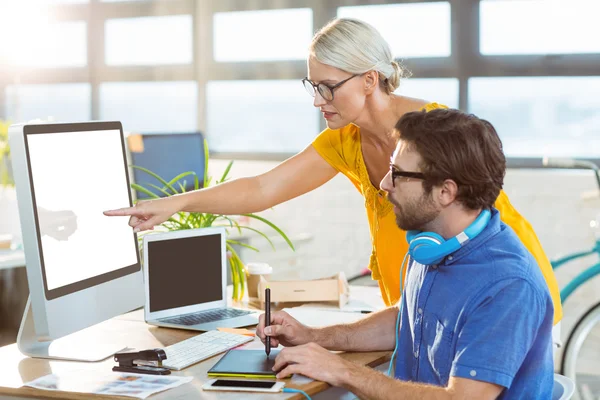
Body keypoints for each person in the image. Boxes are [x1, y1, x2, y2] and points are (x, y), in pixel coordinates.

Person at [104, 18, 562, 325]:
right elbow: (263, 188)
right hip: (417, 309)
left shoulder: (437, 132)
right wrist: (175, 203)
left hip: (497, 303)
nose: (318, 100)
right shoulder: (345, 141)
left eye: (328, 87)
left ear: (369, 80)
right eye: (312, 86)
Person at [256, 109, 555, 399]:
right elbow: (405, 319)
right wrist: (313, 337)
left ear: (445, 192)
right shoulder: (430, 243)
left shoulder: (508, 286)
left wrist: (343, 371)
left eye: (397, 174)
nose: (385, 184)